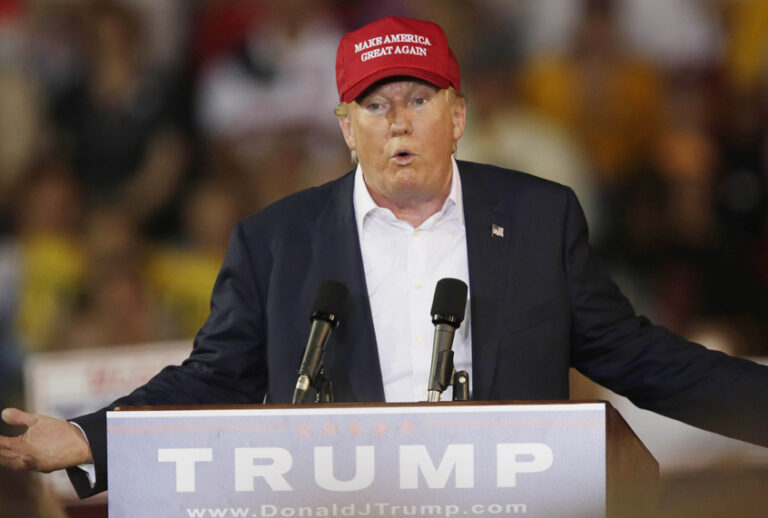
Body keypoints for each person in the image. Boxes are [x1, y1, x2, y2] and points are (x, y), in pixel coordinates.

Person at [1, 16, 767, 500]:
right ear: (345, 127)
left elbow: (638, 358)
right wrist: (89, 437)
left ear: (458, 115)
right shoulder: (276, 242)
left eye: (419, 98)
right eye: (375, 104)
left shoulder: (536, 218)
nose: (397, 121)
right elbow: (210, 381)